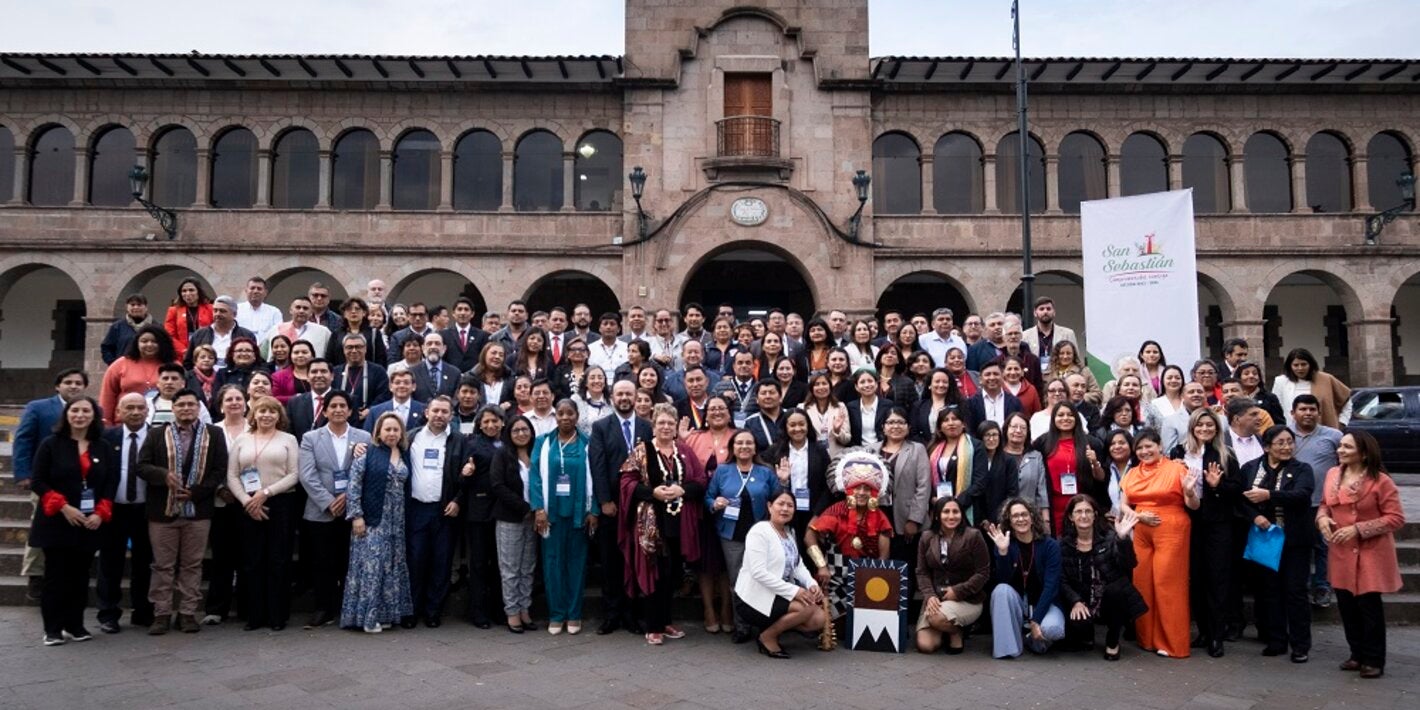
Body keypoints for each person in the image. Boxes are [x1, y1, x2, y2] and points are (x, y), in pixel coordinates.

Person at [136, 388, 227, 634]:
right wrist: (163, 475)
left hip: (198, 510)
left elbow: (220, 470)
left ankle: (187, 613)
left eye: (191, 405)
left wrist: (197, 492)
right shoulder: (156, 434)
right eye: (181, 405)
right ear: (172, 409)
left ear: (199, 408)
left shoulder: (214, 434)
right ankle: (162, 613)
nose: (186, 409)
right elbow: (142, 466)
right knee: (163, 565)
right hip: (162, 511)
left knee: (192, 564)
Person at [1316, 430, 1406, 679]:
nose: (1340, 450)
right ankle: (1356, 653)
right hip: (1341, 550)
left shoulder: (1381, 481)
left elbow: (1396, 518)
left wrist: (1358, 529)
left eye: (1347, 447)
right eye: (1340, 446)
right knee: (1346, 604)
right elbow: (1325, 504)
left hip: (1371, 551)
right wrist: (1322, 519)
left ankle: (1374, 659)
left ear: (1364, 454)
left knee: (1369, 607)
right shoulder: (1333, 474)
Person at [29, 396, 116, 646]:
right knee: (56, 576)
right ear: (67, 414)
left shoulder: (102, 446)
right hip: (57, 521)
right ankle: (53, 629)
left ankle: (74, 625)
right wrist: (64, 507)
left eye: (85, 411)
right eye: (75, 410)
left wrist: (101, 512)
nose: (80, 415)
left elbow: (110, 483)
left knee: (80, 576)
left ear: (94, 415)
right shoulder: (50, 444)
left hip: (89, 522)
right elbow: (38, 481)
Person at [620, 404, 708, 645]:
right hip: (650, 523)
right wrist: (652, 493)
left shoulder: (685, 451)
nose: (666, 427)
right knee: (652, 572)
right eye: (661, 423)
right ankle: (653, 624)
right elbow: (627, 482)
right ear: (654, 425)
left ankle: (666, 620)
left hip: (679, 523)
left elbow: (700, 480)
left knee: (672, 574)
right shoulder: (642, 450)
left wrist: (683, 489)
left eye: (670, 423)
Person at [1120, 429, 1200, 658]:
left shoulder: (1177, 469)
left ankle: (1172, 643)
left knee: (1168, 584)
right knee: (1142, 582)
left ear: (1160, 446)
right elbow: (1124, 505)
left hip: (1171, 529)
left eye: (1149, 446)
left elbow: (1193, 506)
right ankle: (1147, 639)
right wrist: (1138, 516)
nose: (1145, 451)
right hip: (1142, 530)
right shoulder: (1133, 472)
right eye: (1140, 448)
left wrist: (1189, 491)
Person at [1169, 408, 1243, 656]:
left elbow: (1237, 488)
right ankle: (1202, 631)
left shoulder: (1225, 454)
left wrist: (1217, 485)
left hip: (1218, 523)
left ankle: (1216, 635)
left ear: (1217, 428)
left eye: (1210, 426)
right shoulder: (1178, 452)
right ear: (1192, 427)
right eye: (1200, 425)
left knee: (1217, 579)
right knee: (1196, 578)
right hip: (1189, 520)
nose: (1205, 430)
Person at [13, 369, 91, 601]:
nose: (74, 386)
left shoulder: (89, 409)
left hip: (79, 482)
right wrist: (23, 473)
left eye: (79, 383)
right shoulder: (39, 407)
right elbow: (23, 439)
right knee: (41, 525)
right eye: (68, 382)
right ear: (58, 386)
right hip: (45, 481)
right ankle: (36, 575)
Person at [1239, 425, 1315, 662]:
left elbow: (1302, 496)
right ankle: (1276, 640)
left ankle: (1300, 644)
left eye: (1289, 442)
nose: (1286, 447)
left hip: (1294, 540)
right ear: (1267, 446)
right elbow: (1240, 500)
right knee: (1269, 591)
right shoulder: (1250, 468)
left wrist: (1269, 495)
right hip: (1264, 538)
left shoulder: (1302, 469)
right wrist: (1255, 516)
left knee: (1295, 591)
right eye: (1280, 443)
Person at [297, 390, 372, 628]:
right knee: (322, 561)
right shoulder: (311, 438)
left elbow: (369, 473)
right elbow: (307, 475)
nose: (338, 410)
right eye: (333, 406)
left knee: (348, 561)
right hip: (321, 511)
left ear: (350, 411)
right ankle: (323, 608)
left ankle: (347, 606)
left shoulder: (364, 437)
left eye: (343, 406)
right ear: (325, 410)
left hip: (353, 509)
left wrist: (348, 497)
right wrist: (329, 501)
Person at [225, 395, 301, 631]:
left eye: (272, 411)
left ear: (279, 416)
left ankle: (277, 615)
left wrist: (265, 493)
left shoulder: (288, 439)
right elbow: (232, 475)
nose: (266, 415)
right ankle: (254, 615)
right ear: (254, 415)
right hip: (247, 505)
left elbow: (294, 474)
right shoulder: (242, 440)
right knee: (252, 561)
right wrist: (247, 501)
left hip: (279, 504)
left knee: (278, 561)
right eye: (262, 411)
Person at [341, 412, 415, 633]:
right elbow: (353, 486)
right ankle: (367, 618)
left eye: (395, 429)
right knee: (372, 567)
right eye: (387, 429)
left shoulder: (404, 454)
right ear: (378, 432)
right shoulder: (367, 453)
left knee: (390, 567)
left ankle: (385, 615)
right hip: (373, 519)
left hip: (397, 520)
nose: (391, 433)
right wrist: (356, 516)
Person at [704, 430, 779, 642]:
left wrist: (783, 481)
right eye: (739, 443)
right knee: (738, 580)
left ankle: (763, 625)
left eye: (749, 443)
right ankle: (742, 626)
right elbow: (708, 496)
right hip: (731, 535)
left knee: (762, 578)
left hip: (760, 534)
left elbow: (778, 498)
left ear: (755, 448)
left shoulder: (766, 472)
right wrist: (714, 504)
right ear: (733, 448)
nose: (744, 446)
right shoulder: (723, 471)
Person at [733, 489, 827, 658]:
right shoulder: (759, 531)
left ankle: (770, 628)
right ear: (770, 507)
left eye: (790, 505)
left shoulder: (789, 534)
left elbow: (797, 566)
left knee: (819, 618)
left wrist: (811, 584)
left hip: (778, 593)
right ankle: (767, 637)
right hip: (753, 596)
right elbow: (758, 572)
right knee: (807, 608)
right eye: (780, 504)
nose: (785, 509)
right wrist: (795, 591)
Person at [530, 400, 596, 635]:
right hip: (551, 513)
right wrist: (538, 508)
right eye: (561, 413)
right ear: (554, 416)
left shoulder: (587, 443)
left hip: (579, 513)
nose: (565, 417)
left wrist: (594, 510)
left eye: (570, 413)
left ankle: (574, 613)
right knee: (553, 564)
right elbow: (535, 476)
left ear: (577, 416)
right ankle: (557, 614)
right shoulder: (543, 442)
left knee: (576, 564)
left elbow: (596, 478)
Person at [402, 396, 469, 629]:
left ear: (451, 415)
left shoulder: (458, 440)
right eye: (436, 411)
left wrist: (458, 500)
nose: (440, 415)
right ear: (426, 412)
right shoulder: (411, 437)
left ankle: (433, 611)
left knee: (441, 563)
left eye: (445, 412)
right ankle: (411, 610)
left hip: (445, 510)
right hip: (416, 509)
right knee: (415, 560)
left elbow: (466, 475)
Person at [94, 394, 154, 634]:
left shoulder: (157, 436)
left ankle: (142, 611)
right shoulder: (107, 437)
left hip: (146, 509)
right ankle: (108, 614)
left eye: (140, 407)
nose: (136, 412)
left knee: (144, 563)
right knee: (110, 563)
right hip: (114, 509)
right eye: (130, 407)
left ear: (148, 411)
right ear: (119, 411)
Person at [1058, 495, 1146, 660]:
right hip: (1082, 602)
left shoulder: (1110, 536)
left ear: (1095, 514)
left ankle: (1113, 641)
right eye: (1078, 512)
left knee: (1116, 590)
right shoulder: (1064, 544)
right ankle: (1087, 635)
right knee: (1077, 629)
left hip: (1108, 601)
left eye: (1088, 511)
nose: (1083, 516)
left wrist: (1122, 539)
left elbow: (1130, 564)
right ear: (1071, 516)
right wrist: (1075, 601)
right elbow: (1062, 580)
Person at [985, 498, 1065, 658]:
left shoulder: (1050, 545)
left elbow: (1051, 586)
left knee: (1053, 630)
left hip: (1044, 602)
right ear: (1009, 520)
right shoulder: (1005, 543)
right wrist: (1002, 553)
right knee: (1000, 591)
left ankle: (1030, 638)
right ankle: (1008, 649)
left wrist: (1036, 619)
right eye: (1015, 516)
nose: (1020, 519)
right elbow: (1003, 580)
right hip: (1018, 602)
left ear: (1032, 517)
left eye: (1024, 514)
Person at [914, 496, 990, 654]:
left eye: (955, 511)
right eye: (946, 512)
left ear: (962, 514)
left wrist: (958, 591)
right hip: (936, 599)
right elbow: (922, 571)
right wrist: (929, 595)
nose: (951, 516)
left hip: (967, 599)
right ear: (937, 515)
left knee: (936, 618)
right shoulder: (926, 537)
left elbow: (983, 572)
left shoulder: (973, 536)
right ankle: (950, 629)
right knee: (926, 645)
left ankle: (956, 632)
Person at [1290, 394, 1343, 609]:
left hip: (1324, 503)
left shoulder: (1334, 436)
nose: (1308, 413)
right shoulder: (1284, 435)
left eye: (1312, 409)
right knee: (1298, 547)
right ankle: (1298, 585)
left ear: (1319, 413)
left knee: (1323, 546)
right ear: (1293, 413)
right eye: (1303, 409)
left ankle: (1322, 586)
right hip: (1294, 503)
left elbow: (1344, 465)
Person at [489, 415, 540, 633]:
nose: (521, 434)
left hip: (535, 519)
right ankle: (512, 612)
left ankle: (525, 609)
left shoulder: (537, 453)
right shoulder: (502, 454)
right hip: (510, 518)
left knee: (527, 567)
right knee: (510, 569)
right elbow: (497, 486)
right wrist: (524, 508)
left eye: (525, 429)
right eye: (516, 430)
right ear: (509, 434)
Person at [204, 385, 249, 624]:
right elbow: (206, 466)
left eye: (238, 398)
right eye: (228, 399)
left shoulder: (255, 428)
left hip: (249, 500)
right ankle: (216, 609)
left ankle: (245, 607)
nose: (234, 402)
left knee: (246, 556)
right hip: (221, 501)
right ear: (221, 405)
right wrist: (220, 488)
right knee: (222, 557)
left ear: (246, 402)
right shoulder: (212, 431)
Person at [459, 406, 505, 628]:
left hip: (502, 511)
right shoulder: (472, 444)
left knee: (499, 564)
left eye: (495, 421)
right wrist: (466, 472)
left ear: (502, 423)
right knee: (478, 563)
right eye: (486, 421)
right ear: (479, 424)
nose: (490, 425)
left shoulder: (507, 443)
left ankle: (499, 609)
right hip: (478, 511)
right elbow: (464, 478)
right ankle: (478, 612)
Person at [1037, 402, 1103, 535]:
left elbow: (1101, 478)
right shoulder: (1042, 443)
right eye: (1060, 415)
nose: (1065, 418)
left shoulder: (1091, 443)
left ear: (1077, 418)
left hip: (1082, 505)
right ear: (1053, 419)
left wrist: (1095, 462)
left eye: (1070, 415)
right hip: (1053, 505)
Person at [101, 324, 175, 425]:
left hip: (162, 426)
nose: (149, 344)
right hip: (123, 426)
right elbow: (107, 397)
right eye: (144, 341)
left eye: (154, 341)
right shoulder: (120, 364)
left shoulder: (173, 366)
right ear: (137, 343)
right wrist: (106, 425)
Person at [925, 407, 988, 523]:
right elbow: (925, 479)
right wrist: (933, 499)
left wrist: (957, 503)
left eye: (955, 419)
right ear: (940, 427)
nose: (951, 423)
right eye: (946, 420)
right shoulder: (932, 448)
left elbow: (980, 482)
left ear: (963, 424)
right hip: (938, 508)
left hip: (967, 508)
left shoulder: (975, 446)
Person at [1272, 348, 1352, 429]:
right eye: (1296, 365)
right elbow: (1275, 408)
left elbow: (1347, 401)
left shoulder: (1325, 379)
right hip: (1290, 432)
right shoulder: (1281, 382)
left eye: (1303, 364)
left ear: (1310, 364)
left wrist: (1342, 422)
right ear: (1290, 366)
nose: (1300, 368)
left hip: (1322, 431)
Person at [184, 295, 255, 370]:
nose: (217, 314)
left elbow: (254, 361)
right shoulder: (199, 335)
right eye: (215, 310)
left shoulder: (246, 335)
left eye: (222, 311)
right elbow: (188, 362)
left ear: (234, 314)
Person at [1002, 412, 1049, 518]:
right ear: (1006, 429)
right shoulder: (997, 455)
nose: (1018, 431)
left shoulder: (1036, 456)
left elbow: (1042, 490)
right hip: (1002, 515)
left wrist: (1046, 519)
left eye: (1023, 428)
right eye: (1014, 427)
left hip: (1029, 516)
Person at [163, 277, 214, 363]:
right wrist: (184, 351)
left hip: (206, 353)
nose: (187, 293)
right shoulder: (173, 310)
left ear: (199, 291)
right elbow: (169, 335)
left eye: (191, 290)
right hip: (182, 355)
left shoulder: (210, 309)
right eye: (184, 291)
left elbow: (215, 330)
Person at [800, 372, 851, 457]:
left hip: (836, 457)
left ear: (830, 387)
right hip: (812, 456)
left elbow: (847, 439)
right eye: (817, 384)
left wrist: (837, 430)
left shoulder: (840, 407)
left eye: (824, 383)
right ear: (811, 388)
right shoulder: (802, 408)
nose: (821, 387)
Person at [966, 360, 1020, 430]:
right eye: (987, 374)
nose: (992, 378)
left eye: (996, 374)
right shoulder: (971, 403)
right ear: (980, 379)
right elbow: (969, 430)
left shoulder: (1014, 402)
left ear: (1003, 377)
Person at [102, 293, 154, 365]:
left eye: (139, 305)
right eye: (132, 305)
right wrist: (115, 364)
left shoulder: (156, 326)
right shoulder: (117, 327)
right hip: (124, 370)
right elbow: (106, 348)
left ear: (146, 307)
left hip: (149, 367)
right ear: (127, 307)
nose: (136, 307)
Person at [845, 369, 890, 449]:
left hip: (883, 449)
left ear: (876, 384)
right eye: (862, 382)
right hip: (858, 451)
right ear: (856, 387)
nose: (867, 385)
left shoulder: (888, 405)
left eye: (870, 381)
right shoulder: (850, 407)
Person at [1046, 341, 1100, 405]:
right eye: (1062, 353)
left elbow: (1097, 394)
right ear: (1056, 355)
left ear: (1074, 355)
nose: (1065, 356)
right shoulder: (1049, 373)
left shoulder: (1084, 371)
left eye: (1068, 353)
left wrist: (1080, 396)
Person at [270, 339, 316, 404]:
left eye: (304, 352)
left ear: (312, 355)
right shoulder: (278, 376)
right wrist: (295, 398)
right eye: (296, 353)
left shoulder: (321, 373)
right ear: (290, 356)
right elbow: (272, 398)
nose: (300, 355)